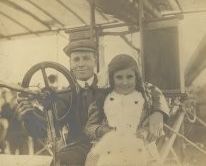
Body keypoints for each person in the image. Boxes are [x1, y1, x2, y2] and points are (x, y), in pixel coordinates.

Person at [16, 29, 169, 165]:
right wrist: (30, 115)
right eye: (76, 59)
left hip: (113, 142)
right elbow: (48, 128)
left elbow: (149, 89)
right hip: (79, 146)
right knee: (61, 162)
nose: (81, 64)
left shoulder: (109, 83)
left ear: (95, 61)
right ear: (70, 64)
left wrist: (159, 113)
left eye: (86, 58)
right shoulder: (63, 96)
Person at [85, 54, 169, 166]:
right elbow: (89, 127)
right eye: (119, 77)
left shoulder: (146, 96)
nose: (125, 82)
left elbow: (153, 128)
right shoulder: (102, 99)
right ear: (112, 78)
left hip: (142, 150)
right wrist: (103, 130)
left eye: (130, 77)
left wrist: (145, 132)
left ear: (136, 77)